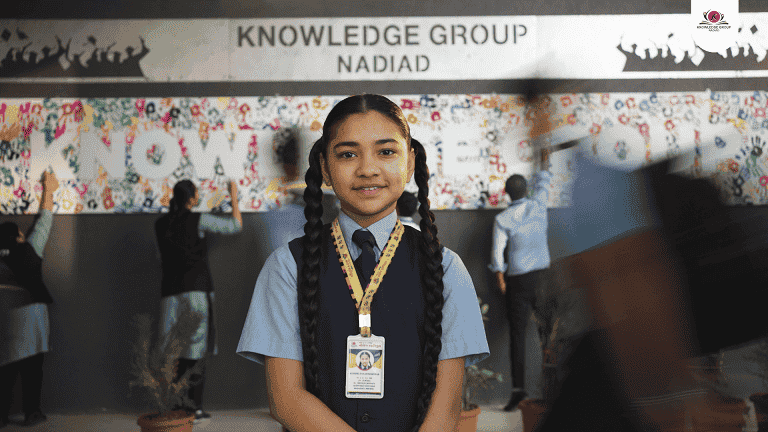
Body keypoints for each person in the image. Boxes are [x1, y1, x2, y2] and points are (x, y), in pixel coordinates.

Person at [237, 94, 489, 432]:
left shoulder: (446, 269)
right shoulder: (286, 267)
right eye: (347, 154)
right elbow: (286, 399)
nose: (368, 169)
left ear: (410, 162)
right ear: (325, 168)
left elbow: (445, 409)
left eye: (386, 152)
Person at [154, 179, 242, 424]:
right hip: (196, 291)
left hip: (169, 293)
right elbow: (235, 225)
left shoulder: (160, 224)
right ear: (192, 199)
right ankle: (194, 409)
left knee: (172, 351)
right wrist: (233, 196)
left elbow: (160, 258)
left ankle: (174, 406)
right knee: (195, 350)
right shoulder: (198, 220)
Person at [489, 86, 554, 412]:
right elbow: (544, 175)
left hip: (516, 281)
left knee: (516, 336)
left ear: (507, 193)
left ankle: (518, 391)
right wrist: (544, 152)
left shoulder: (503, 218)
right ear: (525, 190)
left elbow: (497, 255)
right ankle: (552, 388)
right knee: (549, 332)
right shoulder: (540, 204)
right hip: (541, 277)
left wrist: (499, 278)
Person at [0, 171, 58, 428]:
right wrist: (49, 189)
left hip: (4, 315)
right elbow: (45, 218)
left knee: (5, 368)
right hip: (32, 315)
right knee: (33, 367)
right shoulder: (31, 248)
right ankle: (32, 413)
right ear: (20, 237)